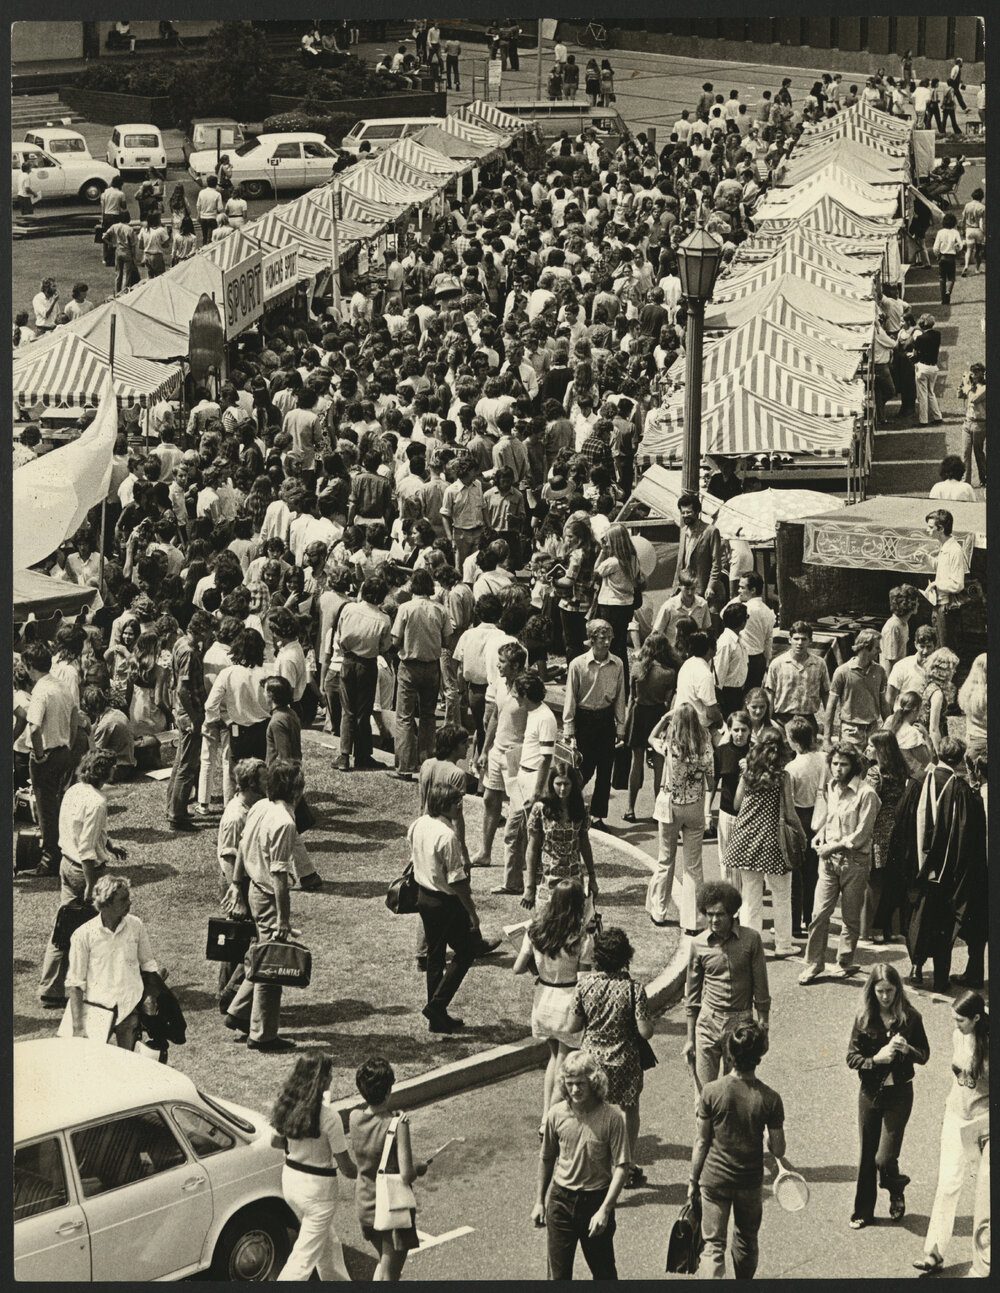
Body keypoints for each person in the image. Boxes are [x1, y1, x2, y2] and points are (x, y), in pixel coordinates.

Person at [689, 1020, 786, 1280]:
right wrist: (767, 1140)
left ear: (729, 1054)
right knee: (746, 1240)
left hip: (714, 1179)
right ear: (759, 1057)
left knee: (713, 1247)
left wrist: (693, 1180)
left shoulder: (711, 1092)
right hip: (749, 1182)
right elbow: (778, 1148)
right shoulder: (770, 1098)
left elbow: (701, 1142)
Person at [224, 757, 304, 1052]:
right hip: (269, 896)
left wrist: (237, 883)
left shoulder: (259, 807)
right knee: (273, 965)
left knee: (261, 953)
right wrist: (283, 918)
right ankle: (262, 1035)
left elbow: (243, 847)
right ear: (295, 788)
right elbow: (279, 874)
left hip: (254, 890)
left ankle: (238, 1009)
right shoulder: (285, 821)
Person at [37, 751, 127, 1007]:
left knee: (63, 927)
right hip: (86, 872)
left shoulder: (75, 790)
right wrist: (90, 885)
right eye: (112, 768)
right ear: (104, 772)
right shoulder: (98, 802)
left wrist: (108, 844)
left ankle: (51, 987)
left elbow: (79, 829)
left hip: (67, 863)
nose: (115, 771)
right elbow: (87, 848)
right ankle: (104, 984)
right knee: (107, 927)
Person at [568, 926, 652, 1189]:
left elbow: (573, 1025)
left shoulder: (585, 985)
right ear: (626, 956)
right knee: (630, 1108)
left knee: (590, 1112)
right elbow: (645, 1031)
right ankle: (625, 1164)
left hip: (592, 1061)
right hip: (625, 1060)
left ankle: (589, 1164)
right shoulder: (634, 989)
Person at [846, 963, 929, 1229]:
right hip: (870, 1092)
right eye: (880, 991)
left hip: (900, 1094)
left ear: (897, 989)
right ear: (872, 990)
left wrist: (908, 1050)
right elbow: (852, 1057)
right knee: (867, 1155)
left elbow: (924, 1055)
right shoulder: (864, 1018)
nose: (885, 997)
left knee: (884, 1158)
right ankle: (863, 1212)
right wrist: (875, 1060)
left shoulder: (911, 1018)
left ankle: (895, 1187)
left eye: (890, 991)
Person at [533, 1049, 628, 1280]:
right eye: (570, 1083)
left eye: (580, 1083)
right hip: (561, 1202)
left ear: (593, 1082)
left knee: (604, 1274)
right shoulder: (556, 1115)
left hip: (595, 1202)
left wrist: (605, 1210)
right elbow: (546, 1158)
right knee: (558, 1276)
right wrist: (539, 1202)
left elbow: (622, 1167)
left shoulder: (612, 1118)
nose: (574, 1089)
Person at [914, 991, 989, 1273]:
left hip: (984, 1124)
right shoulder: (958, 1035)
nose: (956, 1024)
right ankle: (933, 1252)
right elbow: (957, 1079)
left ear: (977, 1018)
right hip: (957, 1116)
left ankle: (985, 1263)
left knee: (987, 1196)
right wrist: (948, 1110)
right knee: (947, 1184)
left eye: (961, 1020)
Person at [907, 737, 988, 993]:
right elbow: (970, 838)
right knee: (943, 926)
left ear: (937, 753)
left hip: (920, 869)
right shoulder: (964, 791)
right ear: (962, 759)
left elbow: (905, 821)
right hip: (949, 874)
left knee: (919, 919)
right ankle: (941, 979)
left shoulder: (918, 782)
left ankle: (916, 968)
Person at [799, 743, 881, 984]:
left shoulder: (867, 794)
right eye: (834, 763)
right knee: (818, 914)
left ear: (853, 766)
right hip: (828, 859)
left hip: (854, 861)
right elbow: (831, 818)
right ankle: (814, 964)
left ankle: (844, 962)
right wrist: (820, 835)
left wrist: (832, 846)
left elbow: (861, 835)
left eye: (843, 764)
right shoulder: (831, 787)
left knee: (850, 917)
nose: (837, 769)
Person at [270, 1054, 357, 1281]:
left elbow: (275, 1141)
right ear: (321, 1079)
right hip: (319, 1194)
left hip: (291, 1184)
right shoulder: (330, 1118)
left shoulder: (287, 1105)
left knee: (327, 1244)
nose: (331, 1078)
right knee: (302, 1260)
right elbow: (347, 1167)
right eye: (328, 1074)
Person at [514, 878, 588, 1131]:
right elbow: (585, 979)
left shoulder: (535, 930)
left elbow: (518, 967)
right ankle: (548, 1119)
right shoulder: (581, 936)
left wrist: (538, 971)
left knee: (554, 1058)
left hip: (543, 999)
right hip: (568, 1002)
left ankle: (547, 1112)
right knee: (565, 1064)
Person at [684, 881, 770, 1093]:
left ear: (732, 913)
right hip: (708, 1023)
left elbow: (761, 986)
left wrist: (763, 1025)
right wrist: (690, 1040)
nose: (713, 920)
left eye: (720, 914)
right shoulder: (698, 944)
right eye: (709, 914)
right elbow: (692, 996)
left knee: (736, 1092)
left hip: (740, 1024)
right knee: (706, 1094)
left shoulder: (751, 940)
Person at [411, 783, 479, 1033]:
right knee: (467, 950)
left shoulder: (419, 824)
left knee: (435, 957)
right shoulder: (447, 835)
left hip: (424, 896)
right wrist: (472, 911)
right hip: (445, 901)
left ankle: (436, 1018)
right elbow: (457, 880)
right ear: (443, 805)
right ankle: (437, 1006)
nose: (459, 806)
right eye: (455, 802)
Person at [725, 729, 800, 957]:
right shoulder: (782, 776)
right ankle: (783, 944)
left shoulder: (748, 773)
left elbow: (737, 804)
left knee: (750, 896)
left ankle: (751, 947)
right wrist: (801, 832)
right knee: (781, 894)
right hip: (772, 842)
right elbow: (789, 811)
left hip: (745, 839)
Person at [65, 874, 160, 1050]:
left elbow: (148, 964)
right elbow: (75, 983)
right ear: (106, 903)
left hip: (130, 1009)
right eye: (123, 899)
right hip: (98, 1011)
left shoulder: (136, 925)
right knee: (94, 1065)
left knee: (128, 1065)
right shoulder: (83, 935)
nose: (130, 903)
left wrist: (150, 995)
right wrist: (78, 1027)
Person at [349, 1058, 424, 1281]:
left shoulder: (354, 1118)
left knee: (384, 1265)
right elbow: (407, 1173)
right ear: (388, 1089)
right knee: (391, 1275)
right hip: (392, 1208)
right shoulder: (398, 1124)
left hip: (366, 1204)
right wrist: (419, 1168)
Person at [646, 702, 714, 933]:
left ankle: (659, 911)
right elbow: (712, 781)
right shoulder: (705, 746)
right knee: (693, 866)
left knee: (666, 859)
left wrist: (665, 718)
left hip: (670, 806)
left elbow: (650, 738)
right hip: (695, 806)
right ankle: (694, 920)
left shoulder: (669, 745)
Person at [21, 641, 81, 877]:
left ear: (29, 666)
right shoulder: (61, 685)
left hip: (46, 755)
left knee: (46, 810)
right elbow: (75, 714)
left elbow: (34, 728)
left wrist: (38, 755)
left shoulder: (40, 690)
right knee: (59, 807)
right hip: (64, 751)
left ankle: (49, 859)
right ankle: (62, 851)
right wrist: (69, 741)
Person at [562, 619, 627, 830]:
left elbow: (620, 697)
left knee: (605, 769)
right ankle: (571, 807)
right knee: (582, 768)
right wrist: (569, 728)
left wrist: (620, 727)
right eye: (602, 638)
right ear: (591, 640)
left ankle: (598, 816)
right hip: (584, 719)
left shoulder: (617, 664)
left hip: (606, 718)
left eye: (609, 638)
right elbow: (570, 697)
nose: (607, 642)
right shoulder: (578, 664)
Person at [390, 568, 452, 781]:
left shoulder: (405, 608)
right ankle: (427, 762)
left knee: (405, 716)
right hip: (432, 666)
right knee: (428, 715)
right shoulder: (440, 610)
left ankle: (405, 765)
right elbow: (447, 640)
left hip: (409, 665)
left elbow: (396, 639)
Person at [335, 577, 392, 771]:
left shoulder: (349, 609)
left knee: (347, 710)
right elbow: (385, 646)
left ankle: (344, 755)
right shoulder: (383, 618)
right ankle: (362, 754)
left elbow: (339, 635)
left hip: (348, 659)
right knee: (363, 711)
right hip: (367, 663)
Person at [166, 609, 215, 830]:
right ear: (201, 629)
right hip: (190, 711)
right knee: (187, 765)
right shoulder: (188, 652)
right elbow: (183, 689)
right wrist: (195, 717)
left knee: (179, 762)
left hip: (183, 710)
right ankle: (177, 814)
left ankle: (172, 806)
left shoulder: (180, 644)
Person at [622, 632, 676, 822]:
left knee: (635, 763)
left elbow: (630, 696)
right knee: (659, 765)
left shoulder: (637, 668)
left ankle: (630, 808)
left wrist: (626, 721)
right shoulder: (669, 673)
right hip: (657, 715)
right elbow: (669, 702)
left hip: (638, 714)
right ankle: (657, 809)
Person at [824, 629, 889, 749]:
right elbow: (831, 707)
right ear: (865, 647)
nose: (880, 651)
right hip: (850, 732)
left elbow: (883, 703)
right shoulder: (842, 672)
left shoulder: (880, 671)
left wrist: (890, 730)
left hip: (873, 730)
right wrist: (826, 739)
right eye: (876, 647)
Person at [764, 621, 830, 727]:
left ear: (810, 641)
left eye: (804, 639)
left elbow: (826, 693)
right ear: (790, 640)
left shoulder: (819, 664)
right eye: (796, 639)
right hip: (782, 720)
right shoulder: (777, 664)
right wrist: (768, 724)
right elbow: (770, 695)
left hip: (808, 721)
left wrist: (829, 724)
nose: (799, 643)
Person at [925, 508, 967, 650]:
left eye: (931, 527)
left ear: (941, 528)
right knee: (938, 648)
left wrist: (936, 584)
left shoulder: (954, 550)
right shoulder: (945, 547)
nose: (927, 530)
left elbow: (958, 584)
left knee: (945, 651)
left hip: (946, 609)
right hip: (938, 606)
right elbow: (942, 568)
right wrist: (925, 558)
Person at [675, 493, 724, 608]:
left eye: (688, 512)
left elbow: (716, 563)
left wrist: (711, 586)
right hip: (684, 588)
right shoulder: (683, 531)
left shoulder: (710, 531)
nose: (685, 515)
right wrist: (675, 588)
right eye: (683, 513)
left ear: (697, 512)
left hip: (702, 588)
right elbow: (680, 563)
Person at [907, 313, 944, 426]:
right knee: (931, 393)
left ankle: (923, 420)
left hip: (923, 367)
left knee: (922, 395)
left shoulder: (920, 338)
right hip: (934, 367)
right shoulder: (937, 334)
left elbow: (916, 354)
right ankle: (938, 417)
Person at [958, 363, 986, 487]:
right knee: (965, 452)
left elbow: (973, 399)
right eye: (972, 373)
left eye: (975, 373)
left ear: (981, 374)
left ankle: (984, 478)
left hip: (979, 425)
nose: (973, 376)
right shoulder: (971, 386)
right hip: (967, 423)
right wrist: (962, 385)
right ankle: (965, 481)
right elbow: (959, 395)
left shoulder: (985, 388)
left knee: (978, 453)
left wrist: (967, 386)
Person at [932, 213, 964, 304]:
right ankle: (948, 291)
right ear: (954, 223)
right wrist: (957, 249)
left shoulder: (940, 232)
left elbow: (935, 247)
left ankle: (943, 299)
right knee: (951, 278)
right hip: (951, 257)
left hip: (942, 257)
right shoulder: (955, 232)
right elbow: (960, 246)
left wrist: (937, 255)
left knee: (942, 278)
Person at [960, 188, 985, 275]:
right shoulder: (982, 207)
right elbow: (983, 222)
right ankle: (977, 269)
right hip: (978, 230)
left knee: (969, 249)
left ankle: (966, 265)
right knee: (978, 250)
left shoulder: (967, 205)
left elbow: (963, 219)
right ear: (981, 197)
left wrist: (962, 230)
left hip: (969, 229)